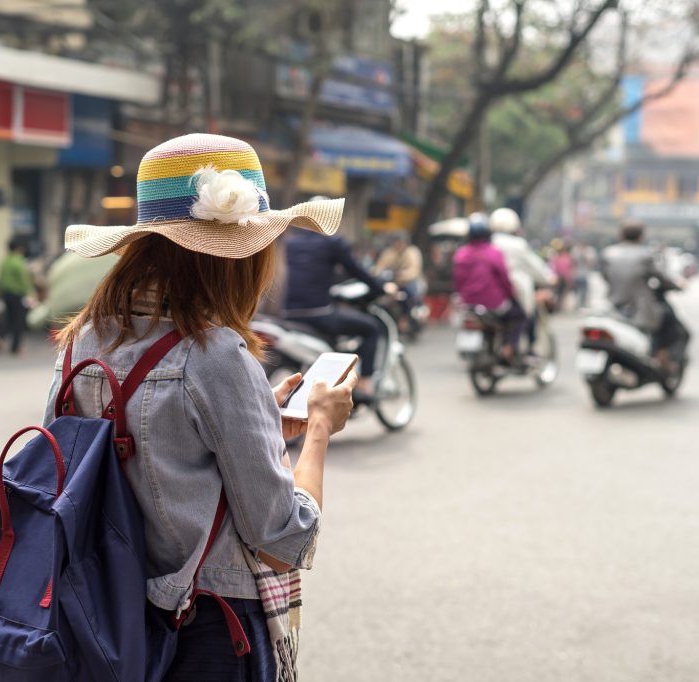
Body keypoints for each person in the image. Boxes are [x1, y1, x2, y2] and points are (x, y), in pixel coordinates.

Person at [51, 134, 355, 680]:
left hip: (99, 619)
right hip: (203, 631)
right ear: (239, 256)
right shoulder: (216, 355)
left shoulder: (84, 339)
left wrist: (261, 420)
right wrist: (320, 431)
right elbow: (282, 538)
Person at [283, 199, 392, 399]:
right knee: (371, 329)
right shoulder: (332, 243)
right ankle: (364, 384)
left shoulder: (292, 243)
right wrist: (381, 288)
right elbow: (357, 270)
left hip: (289, 314)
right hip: (319, 314)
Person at [601, 220, 689, 366]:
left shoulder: (608, 254)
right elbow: (661, 278)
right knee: (668, 319)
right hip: (639, 308)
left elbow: (605, 276)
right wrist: (678, 285)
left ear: (621, 235)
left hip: (613, 304)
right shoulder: (645, 255)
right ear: (641, 236)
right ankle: (660, 356)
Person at [453, 212, 525, 358]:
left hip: (468, 303)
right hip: (493, 303)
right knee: (519, 315)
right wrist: (511, 294)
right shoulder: (494, 253)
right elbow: (504, 279)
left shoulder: (461, 254)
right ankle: (508, 347)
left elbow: (458, 282)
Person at [488, 207, 555, 350]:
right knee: (526, 315)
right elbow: (536, 267)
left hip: (491, 293)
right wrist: (549, 278)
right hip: (515, 291)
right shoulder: (518, 245)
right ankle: (522, 348)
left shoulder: (488, 243)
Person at [372, 231, 424, 332]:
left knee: (412, 292)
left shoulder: (412, 252)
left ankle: (417, 309)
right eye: (396, 242)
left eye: (400, 242)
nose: (398, 244)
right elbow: (380, 267)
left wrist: (401, 275)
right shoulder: (389, 252)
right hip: (393, 283)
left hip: (408, 282)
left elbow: (414, 270)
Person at [0, 235, 34, 355]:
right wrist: (31, 293)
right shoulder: (19, 262)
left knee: (7, 317)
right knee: (18, 321)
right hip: (17, 294)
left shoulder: (4, 261)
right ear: (19, 248)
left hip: (6, 294)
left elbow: (0, 279)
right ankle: (15, 347)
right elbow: (24, 280)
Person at [572, 241, 598, 309]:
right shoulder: (575, 250)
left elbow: (591, 263)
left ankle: (582, 303)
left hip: (585, 274)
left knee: (584, 289)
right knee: (576, 289)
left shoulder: (589, 251)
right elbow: (573, 262)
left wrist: (584, 254)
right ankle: (577, 302)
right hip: (576, 274)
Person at [550, 241, 575, 310]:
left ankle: (557, 305)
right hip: (562, 278)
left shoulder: (556, 258)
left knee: (558, 293)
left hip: (558, 278)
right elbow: (569, 270)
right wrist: (569, 280)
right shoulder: (567, 258)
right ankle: (558, 305)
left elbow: (553, 268)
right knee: (561, 293)